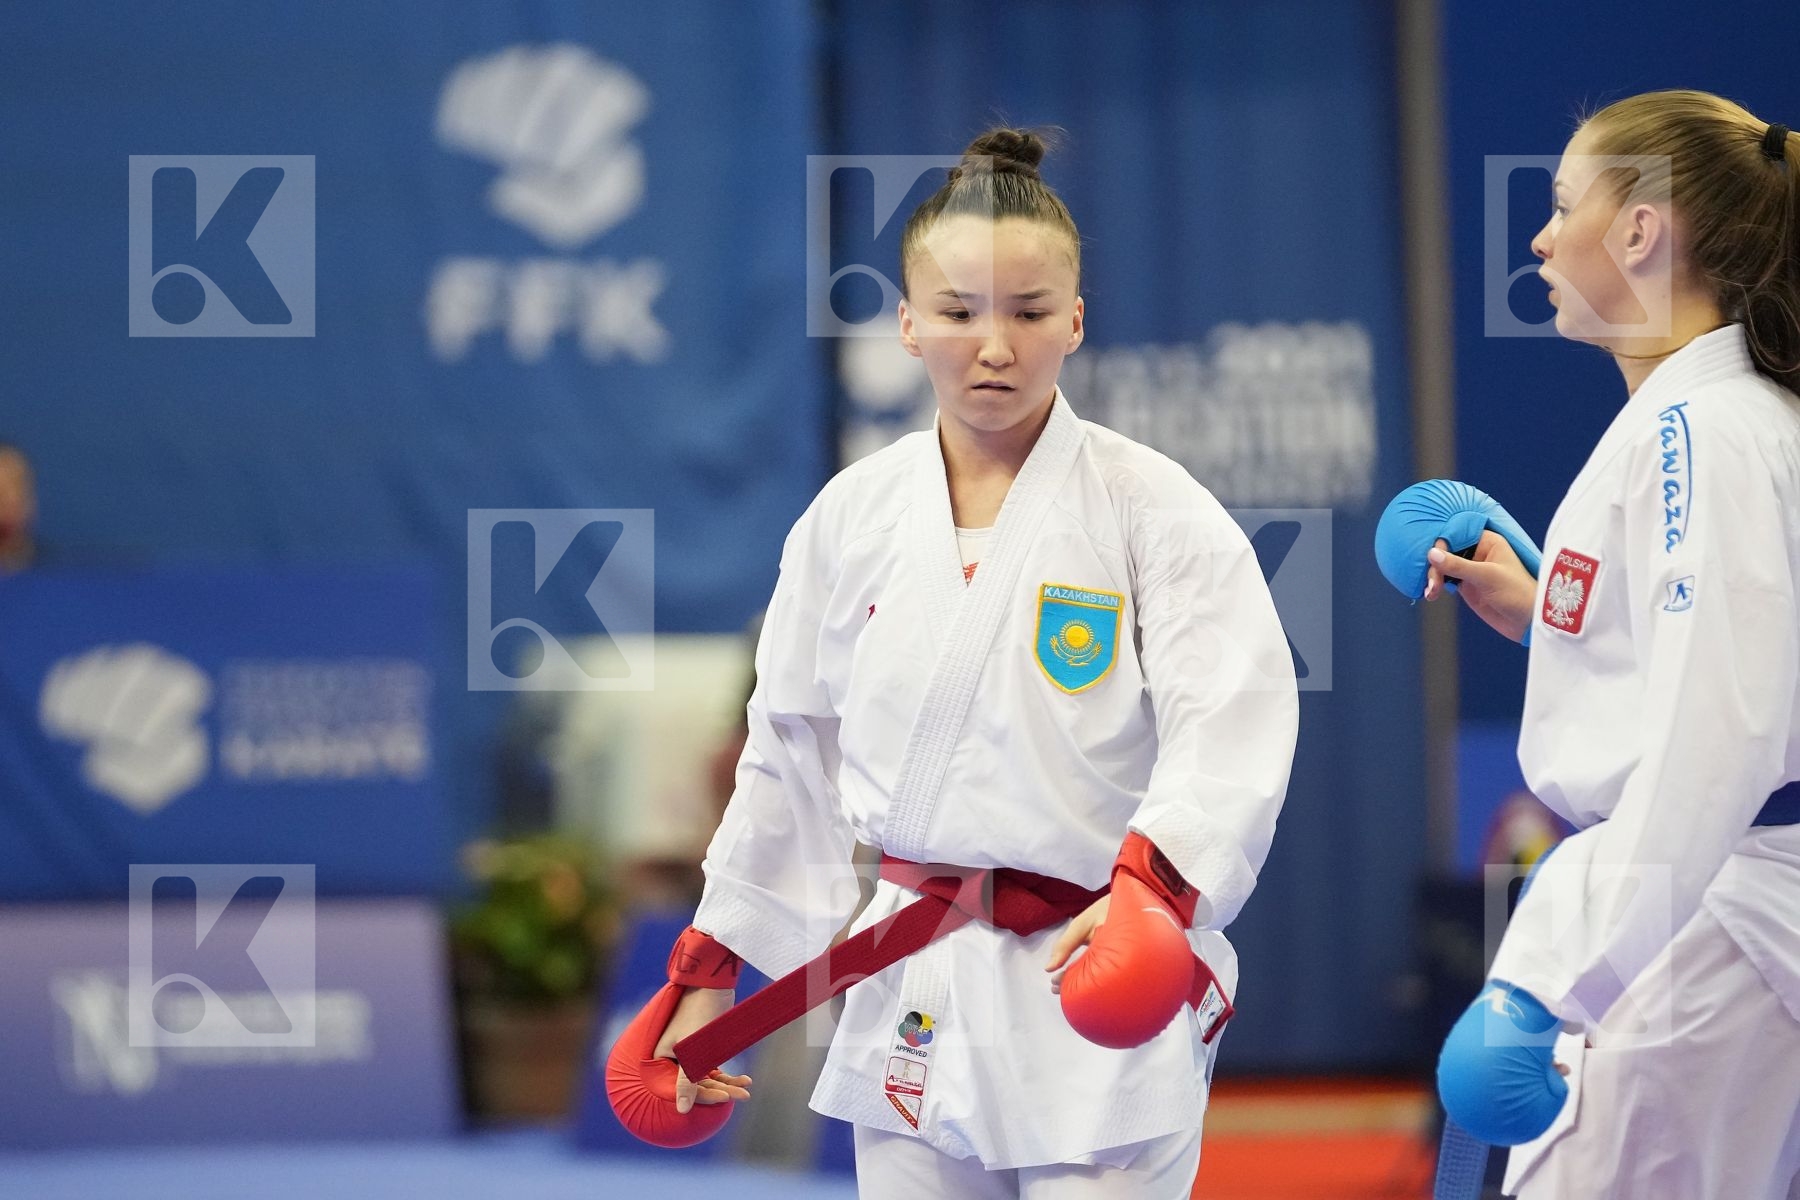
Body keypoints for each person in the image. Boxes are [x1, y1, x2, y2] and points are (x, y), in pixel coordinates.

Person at [612, 129, 1298, 1197]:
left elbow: (1233, 726)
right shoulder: (850, 520)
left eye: (1029, 314)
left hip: (1093, 973)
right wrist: (713, 970)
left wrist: (1153, 892)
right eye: (959, 312)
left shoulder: (1153, 510)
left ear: (1075, 319)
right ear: (906, 323)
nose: (994, 346)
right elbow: (790, 756)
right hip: (915, 979)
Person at [1425, 91, 1800, 1198]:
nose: (1540, 238)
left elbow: (1713, 739)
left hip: (1698, 925)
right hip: (1713, 912)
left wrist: (1556, 984)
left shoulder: (1706, 433)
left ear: (1640, 230)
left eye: (1563, 204)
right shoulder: (1721, 418)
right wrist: (1550, 609)